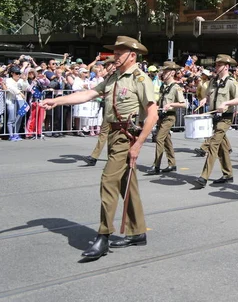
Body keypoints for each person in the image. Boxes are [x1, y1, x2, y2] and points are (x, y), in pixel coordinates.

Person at [40, 36, 158, 260]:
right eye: (114, 52)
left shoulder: (140, 79)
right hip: (114, 135)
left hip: (127, 137)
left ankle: (103, 235)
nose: (115, 56)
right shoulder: (114, 76)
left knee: (108, 182)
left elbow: (153, 115)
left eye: (119, 52)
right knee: (126, 185)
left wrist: (139, 145)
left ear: (132, 55)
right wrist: (57, 101)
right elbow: (89, 94)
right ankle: (137, 232)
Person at [193, 54, 238, 187]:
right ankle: (228, 174)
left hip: (225, 118)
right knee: (222, 148)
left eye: (219, 65)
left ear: (226, 67)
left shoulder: (231, 82)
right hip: (214, 117)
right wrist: (205, 99)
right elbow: (209, 95)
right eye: (216, 65)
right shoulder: (213, 81)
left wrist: (226, 103)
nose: (216, 67)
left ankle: (204, 177)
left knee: (213, 144)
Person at [150, 61, 187, 174]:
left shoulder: (176, 87)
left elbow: (184, 104)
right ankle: (172, 163)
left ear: (172, 73)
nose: (163, 73)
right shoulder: (163, 86)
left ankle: (156, 165)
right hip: (161, 116)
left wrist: (171, 104)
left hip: (170, 116)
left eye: (165, 71)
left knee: (159, 138)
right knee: (167, 140)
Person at [84, 56, 116, 166]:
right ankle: (99, 156)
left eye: (108, 65)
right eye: (105, 65)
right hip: (108, 108)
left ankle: (97, 156)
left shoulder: (119, 77)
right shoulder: (109, 78)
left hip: (116, 111)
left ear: (114, 65)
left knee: (110, 133)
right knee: (105, 132)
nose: (106, 67)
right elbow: (98, 90)